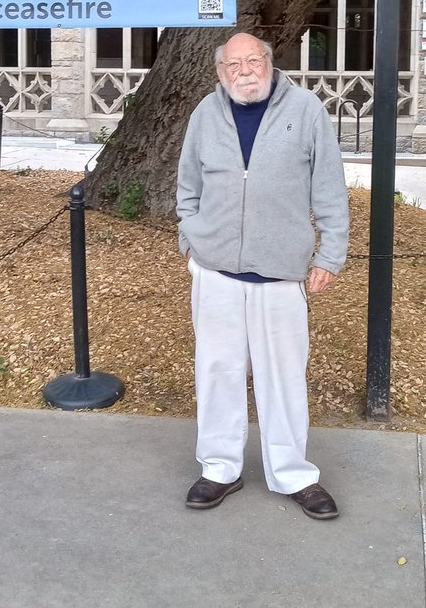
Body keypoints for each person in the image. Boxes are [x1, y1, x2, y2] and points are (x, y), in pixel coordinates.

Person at [176, 32, 350, 520]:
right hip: (216, 273)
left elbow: (331, 190)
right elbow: (186, 185)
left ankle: (294, 474)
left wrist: (329, 255)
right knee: (217, 371)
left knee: (284, 378)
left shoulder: (307, 110)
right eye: (234, 64)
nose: (244, 71)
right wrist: (190, 238)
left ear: (270, 64)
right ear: (220, 71)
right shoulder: (205, 116)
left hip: (280, 275)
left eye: (253, 60)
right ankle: (220, 468)